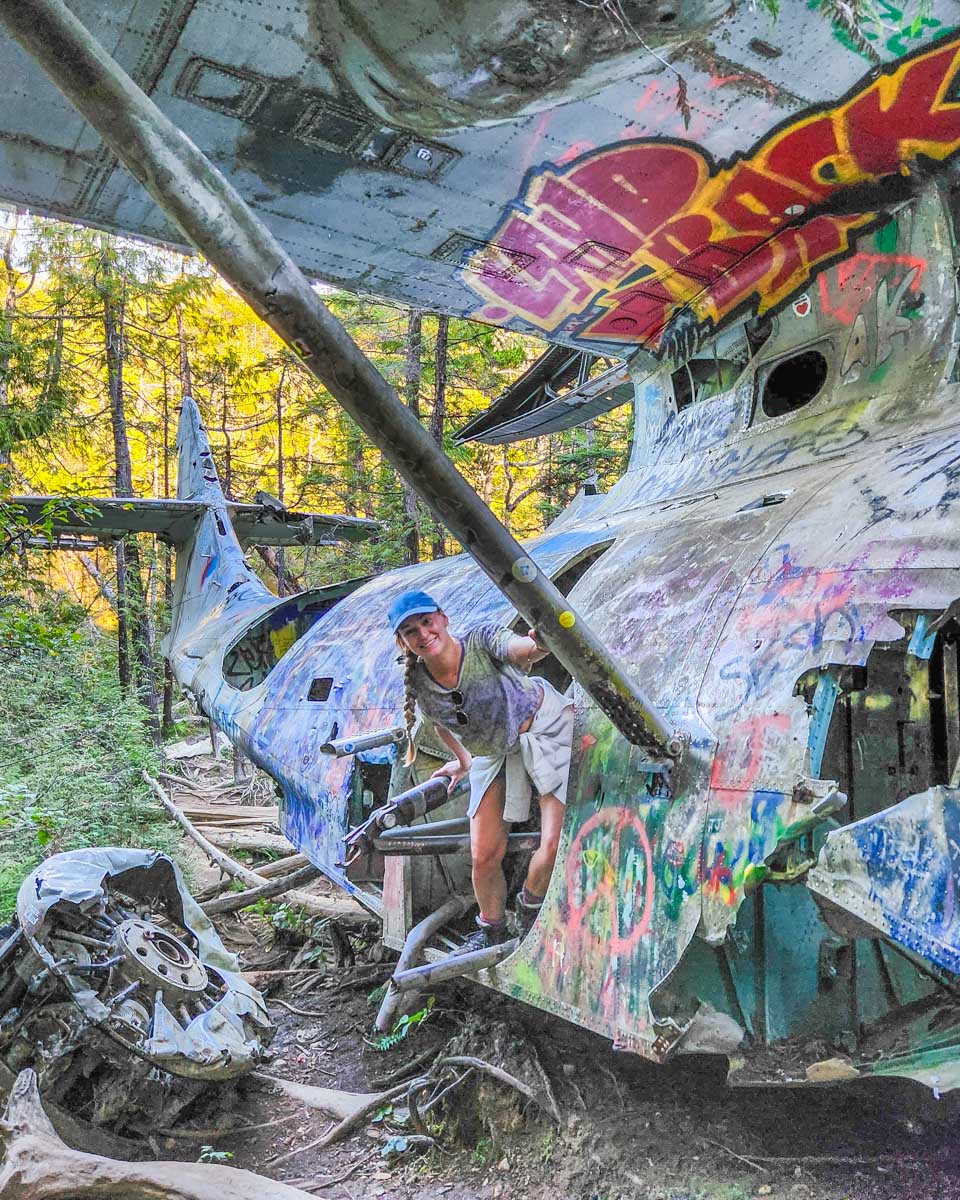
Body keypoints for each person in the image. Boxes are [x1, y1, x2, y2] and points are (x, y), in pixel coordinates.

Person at [389, 589, 574, 951]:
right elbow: (441, 726)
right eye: (411, 631)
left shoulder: (481, 639)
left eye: (427, 621)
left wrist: (538, 643)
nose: (423, 633)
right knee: (483, 854)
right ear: (403, 641)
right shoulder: (420, 684)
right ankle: (492, 930)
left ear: (443, 619)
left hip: (544, 729)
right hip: (493, 752)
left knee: (552, 843)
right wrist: (463, 762)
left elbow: (519, 649)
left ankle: (528, 910)